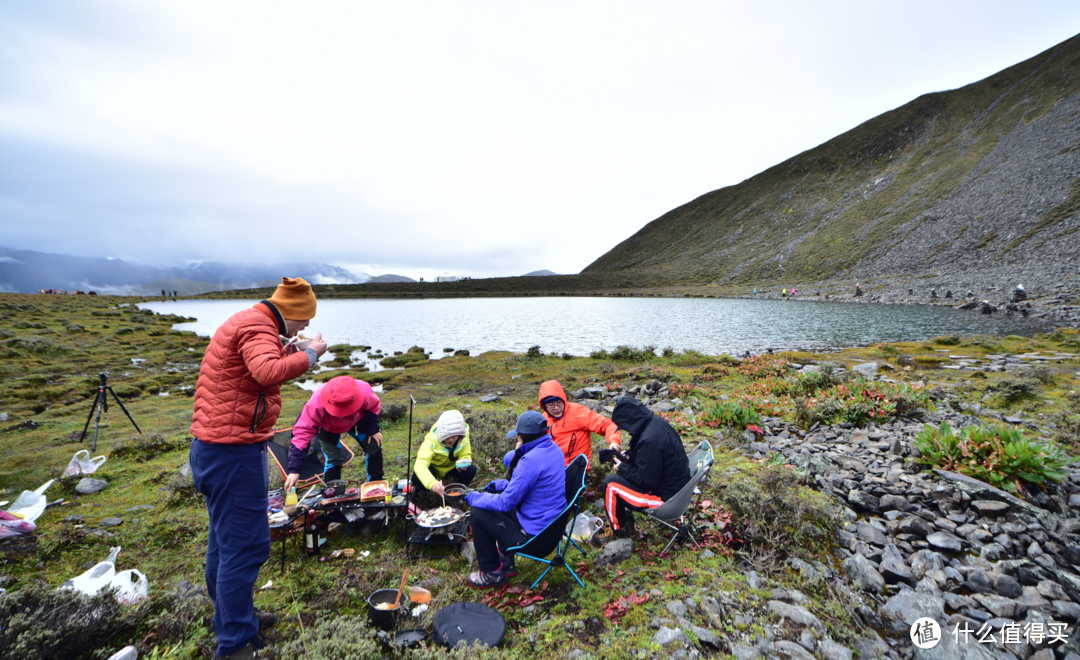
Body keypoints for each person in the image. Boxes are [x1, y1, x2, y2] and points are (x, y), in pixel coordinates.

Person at [189, 277, 327, 660]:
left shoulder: (253, 323)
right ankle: (234, 644)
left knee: (224, 541)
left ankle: (236, 616)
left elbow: (256, 366)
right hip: (231, 454)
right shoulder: (257, 326)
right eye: (303, 321)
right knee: (246, 546)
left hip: (216, 448)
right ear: (292, 313)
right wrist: (312, 353)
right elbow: (267, 372)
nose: (303, 329)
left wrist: (288, 347)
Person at [463, 411, 565, 588]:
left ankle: (492, 574)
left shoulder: (530, 461)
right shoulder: (553, 449)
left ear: (524, 437)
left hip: (534, 539)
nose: (517, 438)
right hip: (551, 529)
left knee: (479, 513)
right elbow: (532, 484)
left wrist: (475, 498)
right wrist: (501, 484)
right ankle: (507, 562)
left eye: (518, 436)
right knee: (494, 503)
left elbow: (505, 503)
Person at [602, 396, 691, 539]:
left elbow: (648, 481)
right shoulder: (655, 423)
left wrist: (623, 468)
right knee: (619, 478)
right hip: (678, 489)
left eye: (624, 425)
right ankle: (624, 519)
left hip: (666, 500)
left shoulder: (649, 440)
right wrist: (630, 456)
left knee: (611, 484)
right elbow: (652, 460)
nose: (625, 429)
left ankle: (616, 530)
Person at [284, 376, 382, 490]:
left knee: (374, 446)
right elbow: (302, 433)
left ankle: (377, 489)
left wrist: (373, 429)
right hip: (328, 427)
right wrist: (294, 470)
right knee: (333, 459)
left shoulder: (364, 391)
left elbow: (374, 406)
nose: (342, 414)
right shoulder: (316, 403)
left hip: (357, 420)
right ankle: (332, 497)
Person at [537, 380, 620, 467]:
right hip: (551, 469)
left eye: (559, 403)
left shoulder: (578, 413)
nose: (556, 408)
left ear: (564, 400)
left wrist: (614, 441)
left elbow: (606, 424)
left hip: (576, 469)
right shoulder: (543, 419)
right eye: (551, 405)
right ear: (544, 406)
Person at [412, 410, 476, 498]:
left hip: (451, 472)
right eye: (447, 436)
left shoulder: (463, 436)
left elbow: (466, 454)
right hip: (433, 473)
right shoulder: (431, 440)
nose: (451, 439)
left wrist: (464, 461)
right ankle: (422, 498)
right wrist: (432, 483)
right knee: (418, 475)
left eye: (455, 435)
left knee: (471, 469)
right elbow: (420, 465)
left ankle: (454, 496)